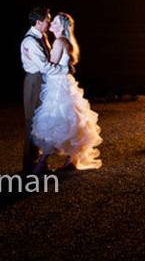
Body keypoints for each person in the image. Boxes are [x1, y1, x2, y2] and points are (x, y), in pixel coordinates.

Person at [31, 12, 103, 172]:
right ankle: (72, 161)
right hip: (66, 83)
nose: (51, 25)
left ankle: (42, 164)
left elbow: (51, 64)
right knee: (70, 122)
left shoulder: (59, 41)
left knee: (54, 121)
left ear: (62, 26)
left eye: (55, 22)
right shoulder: (68, 42)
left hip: (58, 87)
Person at [21, 6, 61, 175]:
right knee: (32, 121)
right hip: (34, 81)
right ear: (38, 22)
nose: (49, 23)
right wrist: (62, 70)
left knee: (41, 121)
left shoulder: (42, 36)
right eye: (47, 20)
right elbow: (44, 66)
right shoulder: (30, 41)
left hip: (42, 80)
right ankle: (30, 164)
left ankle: (38, 164)